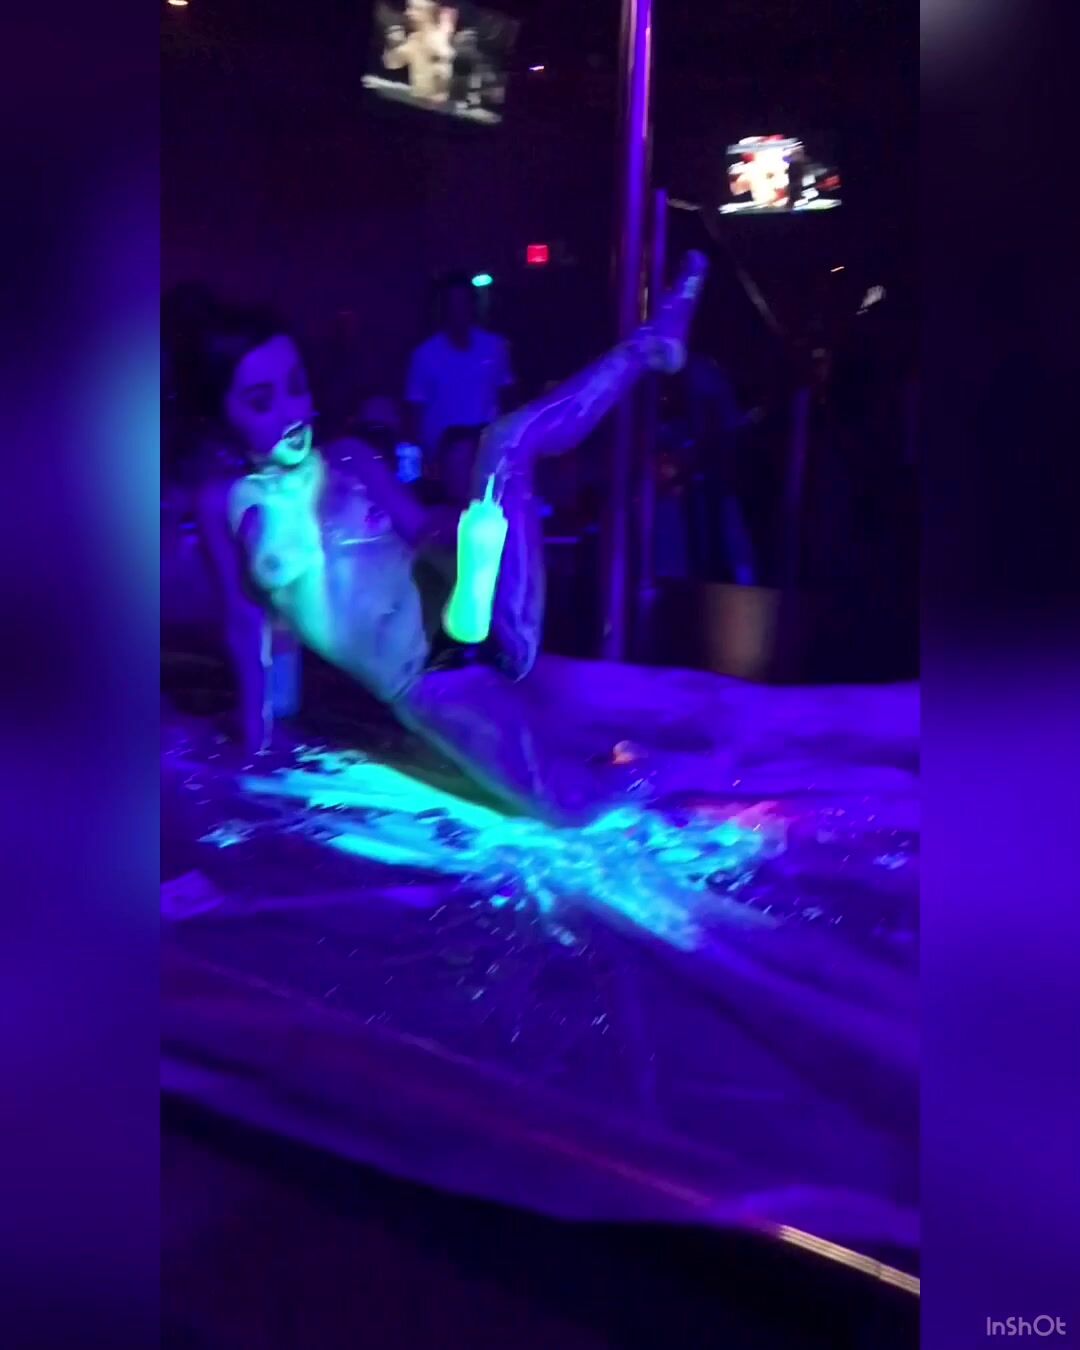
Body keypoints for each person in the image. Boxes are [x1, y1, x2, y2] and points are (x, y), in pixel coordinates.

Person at [195, 252, 709, 824]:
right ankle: (664, 767)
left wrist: (480, 520)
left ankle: (650, 345)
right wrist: (257, 738)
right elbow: (245, 624)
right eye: (261, 401)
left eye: (296, 386)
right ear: (222, 414)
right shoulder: (224, 502)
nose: (291, 410)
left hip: (476, 614)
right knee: (569, 806)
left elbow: (421, 530)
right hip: (428, 680)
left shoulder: (349, 460)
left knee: (505, 441)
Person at [406, 274, 515, 464]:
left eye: (463, 302)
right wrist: (422, 458)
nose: (458, 309)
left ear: (472, 305)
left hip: (488, 452)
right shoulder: (424, 355)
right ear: (444, 308)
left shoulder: (494, 346)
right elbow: (416, 408)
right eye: (453, 303)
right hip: (442, 457)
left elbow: (507, 395)